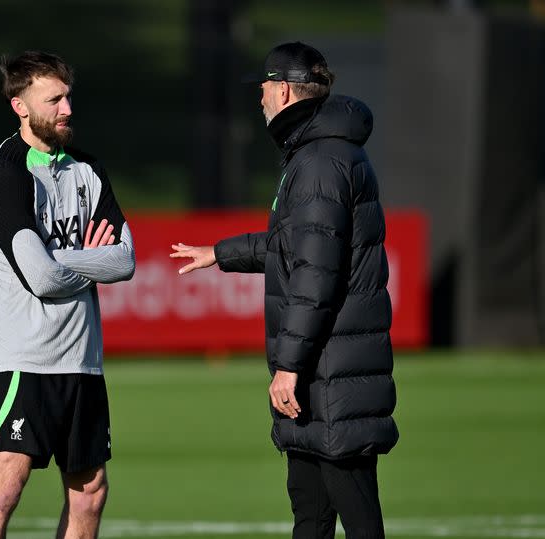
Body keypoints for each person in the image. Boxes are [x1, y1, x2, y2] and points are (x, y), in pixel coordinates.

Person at [170, 42, 398, 539]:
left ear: (288, 91)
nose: (261, 100)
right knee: (310, 516)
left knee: (357, 517)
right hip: (326, 374)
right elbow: (293, 246)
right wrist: (221, 253)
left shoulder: (319, 162)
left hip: (330, 376)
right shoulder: (319, 154)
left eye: (266, 89)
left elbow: (314, 277)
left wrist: (290, 367)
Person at [0, 51, 135, 539]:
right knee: (4, 488)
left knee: (90, 491)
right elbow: (38, 279)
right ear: (20, 106)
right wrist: (89, 259)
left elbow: (123, 261)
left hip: (82, 359)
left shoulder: (87, 167)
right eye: (54, 99)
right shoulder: (4, 175)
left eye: (68, 97)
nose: (66, 109)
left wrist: (62, 260)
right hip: (25, 359)